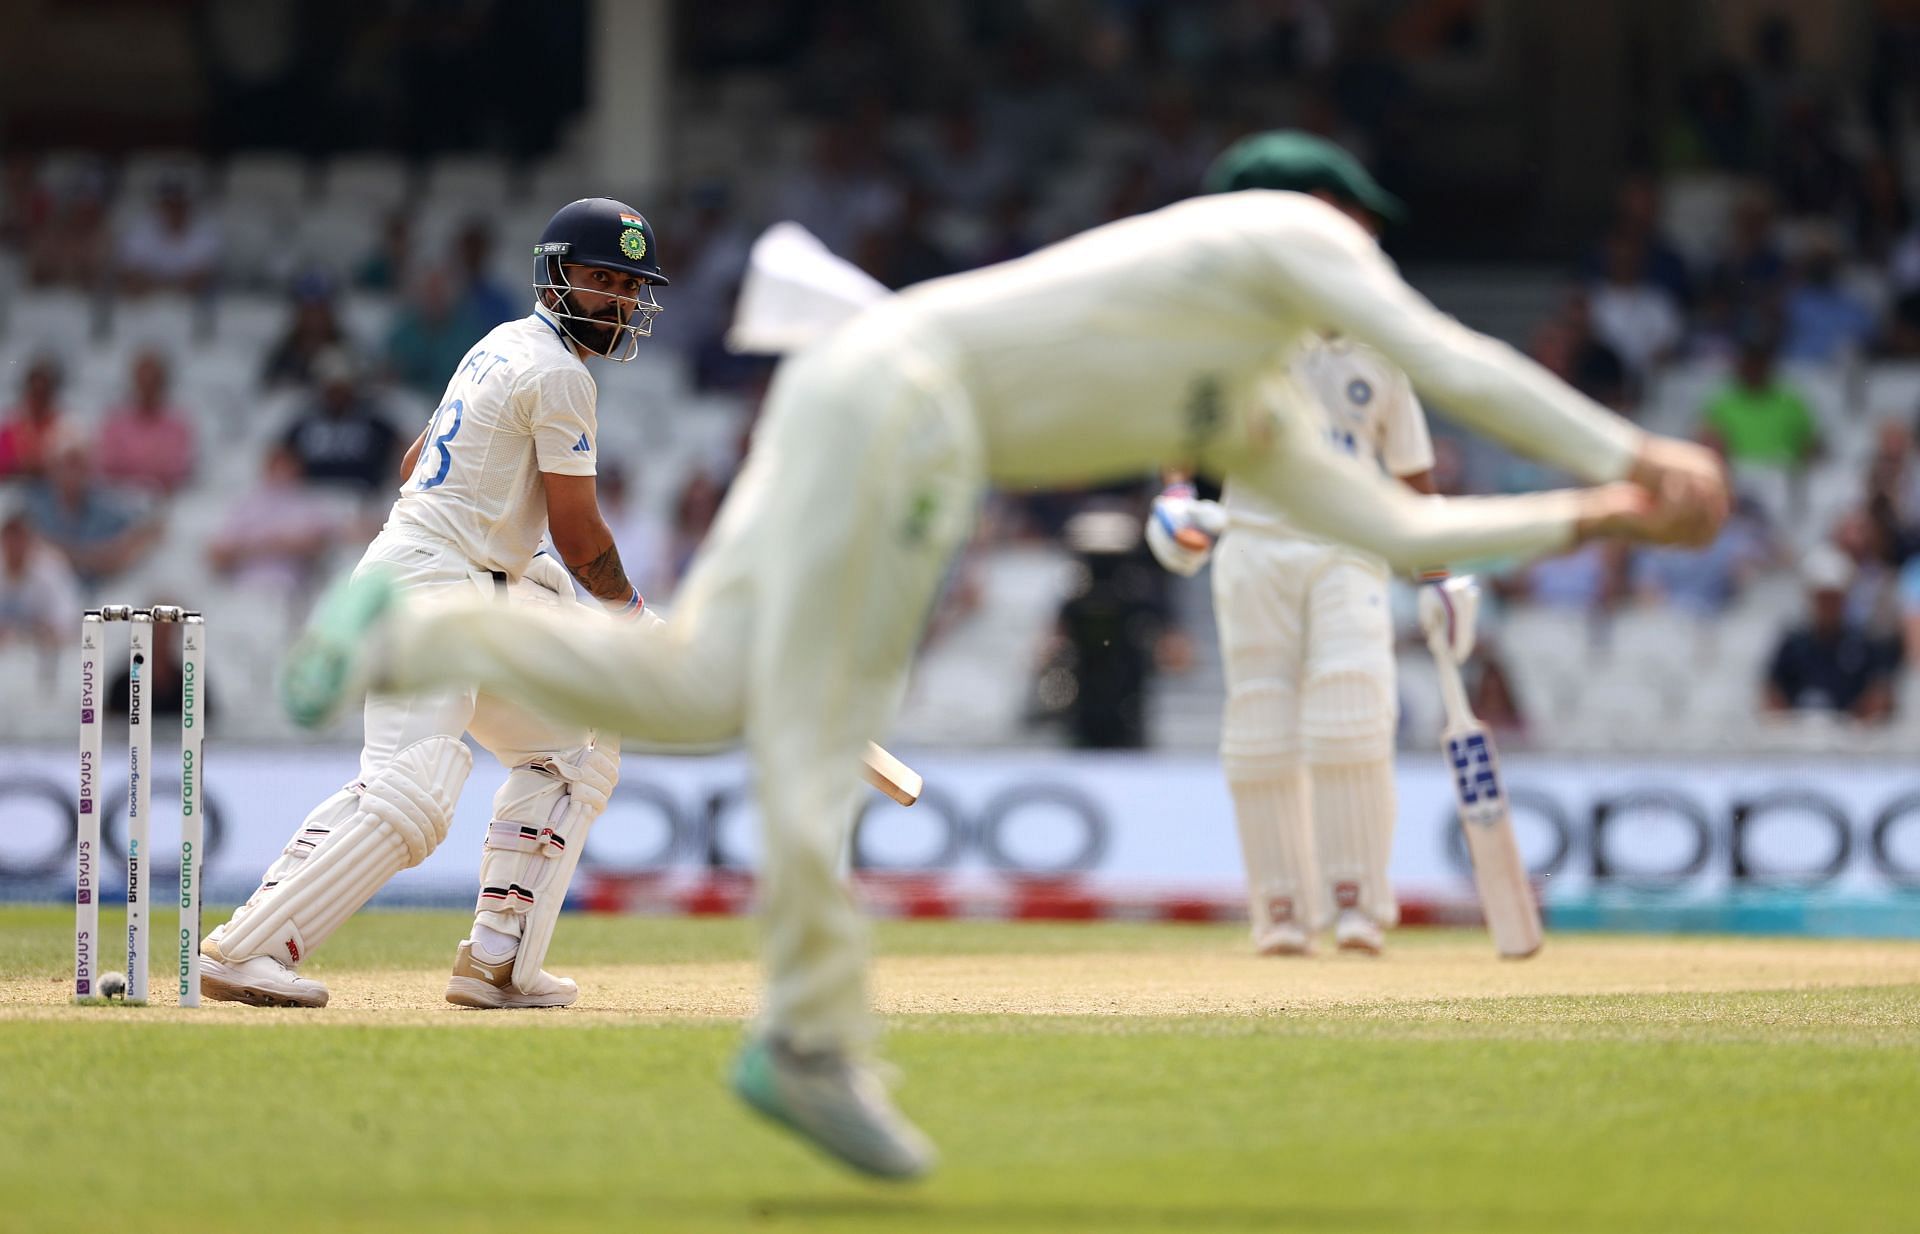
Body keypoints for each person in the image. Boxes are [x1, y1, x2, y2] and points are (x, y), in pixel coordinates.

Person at [280, 137, 1727, 1182]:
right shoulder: (1292, 242)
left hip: (885, 398)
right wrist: (1635, 451)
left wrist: (1597, 512)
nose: (1369, 272)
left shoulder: (1255, 398)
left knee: (720, 691)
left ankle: (420, 628)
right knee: (776, 704)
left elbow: (1398, 530)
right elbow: (1458, 361)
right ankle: (807, 1038)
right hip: (913, 410)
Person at [198, 198, 671, 1015]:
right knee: (413, 789)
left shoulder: (500, 345)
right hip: (431, 588)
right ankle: (247, 948)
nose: (618, 303)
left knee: (574, 749)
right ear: (555, 276)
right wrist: (633, 618)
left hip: (463, 587)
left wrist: (517, 567)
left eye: (629, 288)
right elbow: (580, 529)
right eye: (601, 281)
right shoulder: (558, 372)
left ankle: (497, 963)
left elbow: (421, 458)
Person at [1143, 140, 1439, 958]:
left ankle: (1356, 905)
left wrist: (1444, 575)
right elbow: (1181, 445)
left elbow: (1413, 475)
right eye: (1354, 218)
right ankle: (1278, 908)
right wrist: (1173, 503)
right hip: (1253, 543)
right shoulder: (1229, 339)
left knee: (1351, 716)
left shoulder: (1381, 345)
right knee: (1259, 726)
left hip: (1349, 543)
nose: (1369, 236)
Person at [96, 350, 197, 495]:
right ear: (134, 382)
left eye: (153, 381)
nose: (147, 387)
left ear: (162, 383)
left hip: (166, 499)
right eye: (143, 381)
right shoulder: (115, 422)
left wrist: (131, 467)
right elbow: (108, 465)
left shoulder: (178, 425)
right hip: (120, 497)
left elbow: (177, 469)